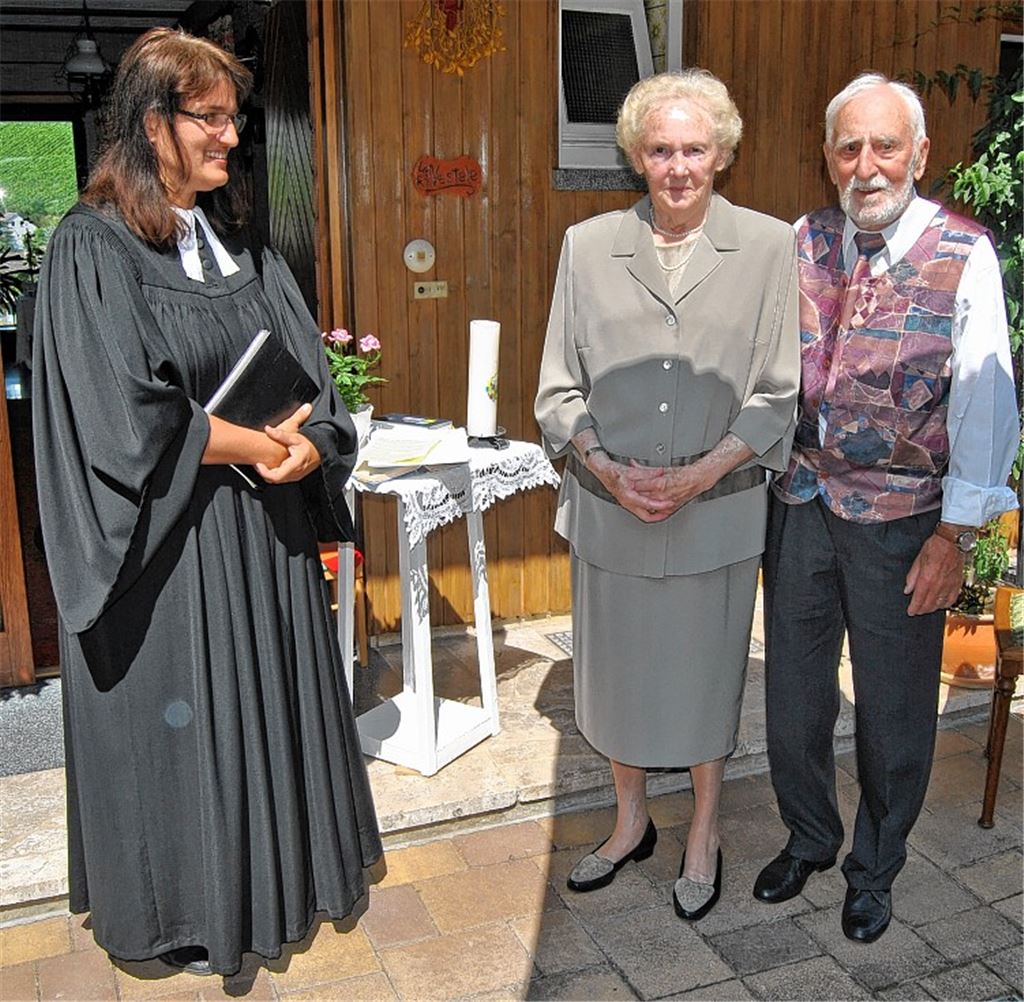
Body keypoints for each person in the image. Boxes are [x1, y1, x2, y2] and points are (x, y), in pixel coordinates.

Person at [32, 28, 382, 977]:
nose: (231, 138)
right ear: (154, 125)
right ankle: (189, 909)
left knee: (262, 717)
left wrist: (312, 442)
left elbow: (316, 377)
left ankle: (280, 883)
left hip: (259, 543)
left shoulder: (240, 248)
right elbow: (125, 417)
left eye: (235, 118)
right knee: (185, 735)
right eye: (212, 119)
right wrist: (252, 443)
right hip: (169, 561)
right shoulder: (88, 250)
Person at [754, 73, 1019, 943]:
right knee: (793, 699)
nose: (867, 166)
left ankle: (874, 869)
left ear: (919, 154)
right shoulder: (803, 237)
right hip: (799, 504)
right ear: (828, 156)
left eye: (885, 146)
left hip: (907, 524)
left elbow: (987, 402)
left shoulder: (963, 250)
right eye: (849, 147)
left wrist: (957, 533)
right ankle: (812, 838)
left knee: (895, 709)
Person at [535, 69, 799, 921]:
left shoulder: (766, 247)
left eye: (693, 148)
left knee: (703, 680)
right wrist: (608, 468)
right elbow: (556, 389)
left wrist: (700, 472)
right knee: (615, 681)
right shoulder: (587, 246)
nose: (677, 165)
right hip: (611, 511)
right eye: (659, 149)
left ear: (722, 153)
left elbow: (777, 391)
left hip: (715, 512)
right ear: (636, 158)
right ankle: (629, 822)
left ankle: (704, 832)